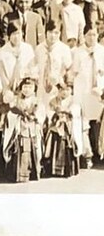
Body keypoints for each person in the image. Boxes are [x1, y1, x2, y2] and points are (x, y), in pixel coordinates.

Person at [71, 26, 104, 166]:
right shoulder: (78, 52)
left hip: (98, 91)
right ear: (84, 36)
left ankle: (100, 152)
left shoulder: (102, 51)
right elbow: (74, 72)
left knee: (99, 123)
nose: (92, 38)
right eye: (89, 35)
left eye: (94, 34)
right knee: (84, 124)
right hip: (83, 91)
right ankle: (87, 154)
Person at [2, 77, 45, 183]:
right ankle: (19, 174)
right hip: (20, 129)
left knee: (34, 150)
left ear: (34, 89)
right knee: (20, 150)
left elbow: (41, 115)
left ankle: (33, 172)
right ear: (21, 88)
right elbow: (11, 114)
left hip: (32, 130)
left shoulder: (37, 101)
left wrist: (34, 117)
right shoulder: (17, 101)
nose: (27, 89)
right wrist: (19, 116)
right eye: (25, 87)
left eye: (30, 87)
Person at [42, 82, 82, 178]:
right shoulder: (53, 100)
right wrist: (56, 115)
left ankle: (68, 170)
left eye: (67, 90)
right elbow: (49, 112)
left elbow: (75, 112)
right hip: (56, 127)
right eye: (62, 90)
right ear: (58, 91)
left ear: (71, 90)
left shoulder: (74, 101)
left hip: (68, 128)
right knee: (55, 146)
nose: (64, 92)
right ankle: (54, 169)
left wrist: (67, 113)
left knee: (68, 146)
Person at [34, 21, 72, 106]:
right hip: (41, 87)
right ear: (46, 32)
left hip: (57, 88)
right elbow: (35, 68)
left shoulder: (64, 49)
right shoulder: (39, 49)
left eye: (56, 33)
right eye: (50, 32)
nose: (53, 36)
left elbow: (68, 69)